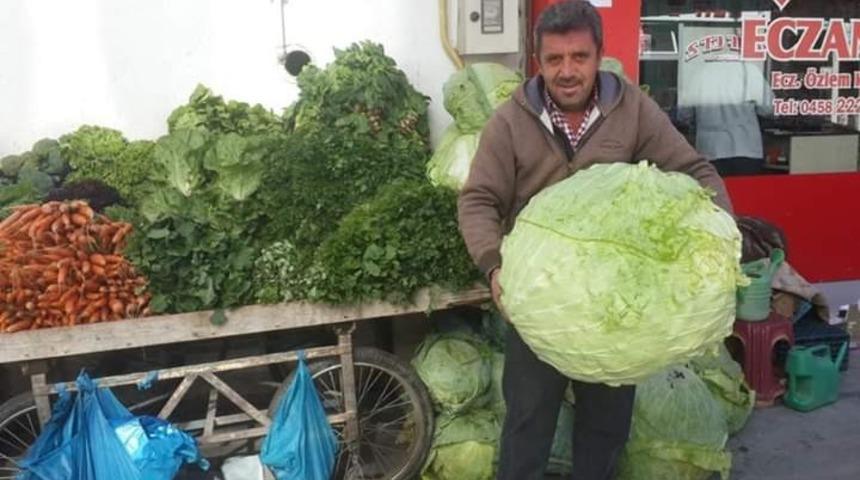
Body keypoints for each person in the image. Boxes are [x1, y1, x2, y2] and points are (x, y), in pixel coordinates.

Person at [457, 1, 733, 479]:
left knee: (606, 427)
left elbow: (693, 171)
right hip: (540, 301)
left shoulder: (632, 110)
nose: (567, 72)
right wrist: (493, 265)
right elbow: (478, 199)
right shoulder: (510, 120)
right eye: (554, 60)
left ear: (599, 55)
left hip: (617, 310)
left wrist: (718, 242)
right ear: (537, 63)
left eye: (579, 57)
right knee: (527, 422)